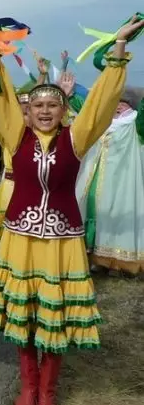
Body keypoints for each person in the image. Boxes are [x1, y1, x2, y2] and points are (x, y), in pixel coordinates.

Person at [0, 16, 144, 405]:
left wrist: (119, 48)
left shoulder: (76, 137)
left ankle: (48, 393)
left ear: (64, 108)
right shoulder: (15, 137)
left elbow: (103, 101)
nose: (46, 111)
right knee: (25, 313)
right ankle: (28, 384)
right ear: (29, 110)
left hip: (62, 242)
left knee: (52, 317)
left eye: (53, 104)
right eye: (38, 105)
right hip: (20, 238)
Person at [76, 85, 144, 275]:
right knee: (93, 209)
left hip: (122, 181)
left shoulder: (134, 122)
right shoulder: (105, 122)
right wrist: (70, 93)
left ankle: (117, 260)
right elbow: (83, 111)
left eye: (125, 102)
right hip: (95, 175)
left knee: (117, 214)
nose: (120, 106)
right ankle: (95, 257)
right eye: (117, 102)